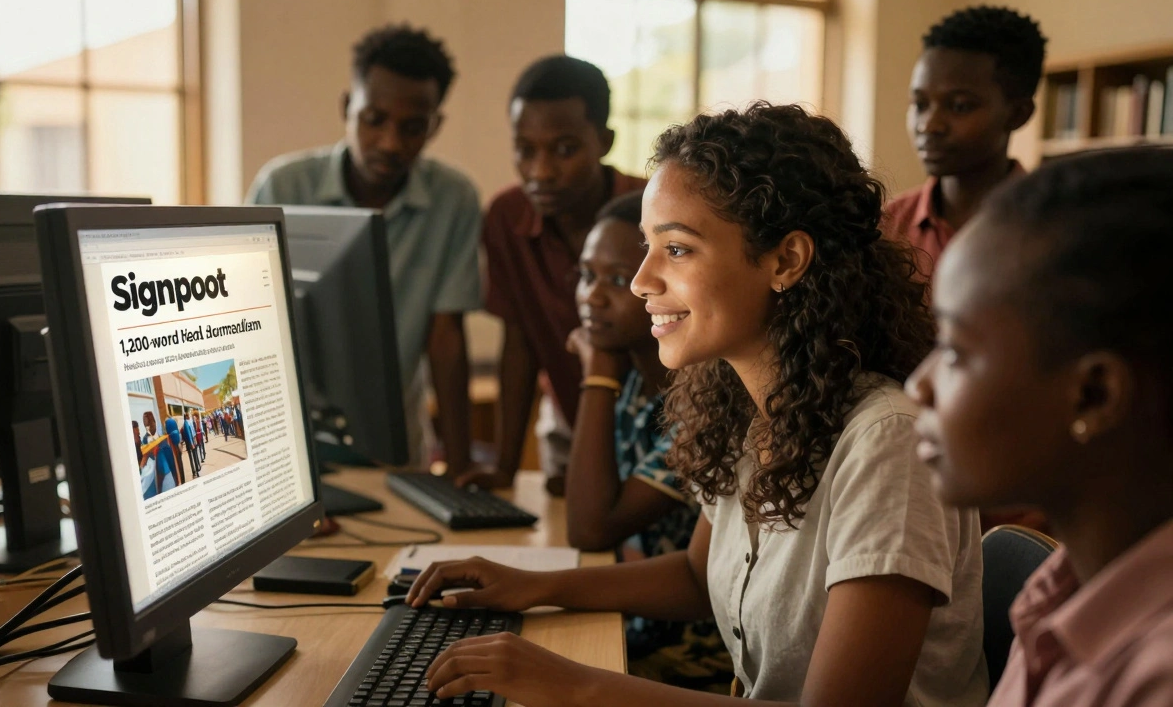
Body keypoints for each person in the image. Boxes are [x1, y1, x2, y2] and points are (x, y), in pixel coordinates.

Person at [410, 104, 985, 707]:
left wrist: (573, 684)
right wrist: (533, 586)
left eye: (677, 250)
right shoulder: (754, 405)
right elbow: (694, 575)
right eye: (647, 246)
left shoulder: (888, 441)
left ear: (786, 260)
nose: (640, 281)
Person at [906, 147, 1173, 707]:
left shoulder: (1155, 677)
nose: (918, 387)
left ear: (1094, 395)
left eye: (953, 352)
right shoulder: (1064, 585)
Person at [247, 24, 482, 474]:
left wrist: (459, 464)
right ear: (347, 107)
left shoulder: (454, 199)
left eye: (413, 127)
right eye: (374, 120)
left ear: (435, 125)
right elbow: (244, 322)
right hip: (281, 445)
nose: (390, 143)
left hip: (393, 449)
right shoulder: (281, 186)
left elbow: (446, 337)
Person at [456, 55, 647, 494]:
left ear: (603, 140)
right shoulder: (508, 217)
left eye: (564, 149)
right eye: (525, 150)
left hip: (660, 432)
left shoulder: (649, 211)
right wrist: (504, 469)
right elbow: (519, 342)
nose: (541, 172)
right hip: (569, 423)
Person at [566, 190, 732, 691]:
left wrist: (596, 375)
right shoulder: (638, 379)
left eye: (616, 280)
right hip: (638, 629)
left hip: (692, 655)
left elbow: (592, 527)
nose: (592, 297)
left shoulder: (706, 400)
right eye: (586, 274)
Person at [883, 6, 1046, 278]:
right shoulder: (886, 228)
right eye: (920, 104)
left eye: (959, 106)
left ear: (1018, 114)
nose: (929, 125)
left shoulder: (1054, 231)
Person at [143, 412, 176, 494]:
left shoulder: (163, 439)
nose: (149, 428)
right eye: (146, 425)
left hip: (167, 475)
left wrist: (176, 478)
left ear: (155, 423)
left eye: (151, 424)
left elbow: (171, 460)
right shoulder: (144, 442)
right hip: (154, 479)